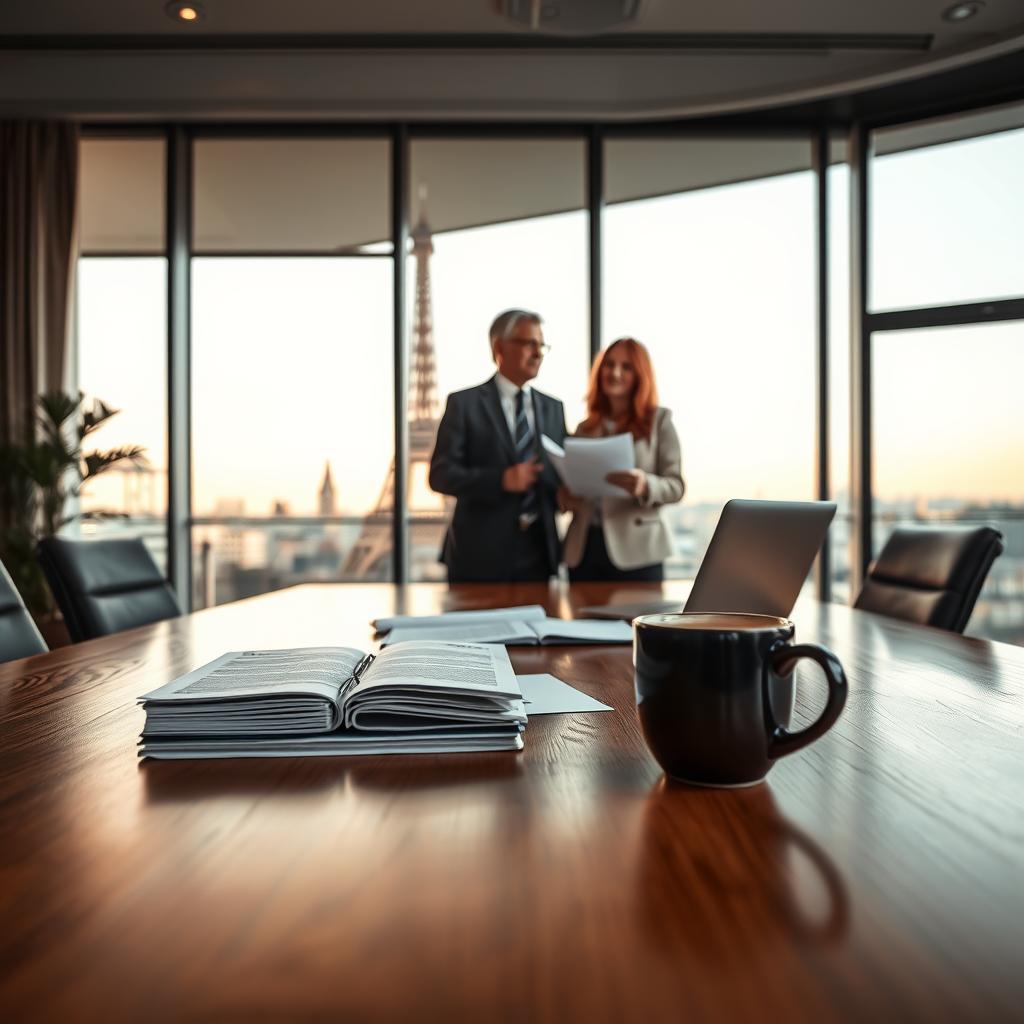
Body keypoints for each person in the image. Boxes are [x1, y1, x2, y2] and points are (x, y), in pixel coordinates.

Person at [429, 309, 567, 583]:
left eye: (541, 345)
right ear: (499, 347)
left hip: (539, 554)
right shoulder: (464, 404)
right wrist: (501, 480)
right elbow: (441, 475)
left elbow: (559, 471)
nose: (537, 353)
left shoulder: (553, 408)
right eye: (529, 344)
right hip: (478, 555)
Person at [561, 338, 685, 582]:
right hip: (585, 548)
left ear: (640, 374)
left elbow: (676, 486)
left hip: (638, 550)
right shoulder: (584, 428)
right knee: (582, 621)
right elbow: (572, 482)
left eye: (626, 367)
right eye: (609, 364)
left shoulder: (659, 421)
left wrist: (645, 485)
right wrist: (566, 495)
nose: (615, 373)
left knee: (634, 621)